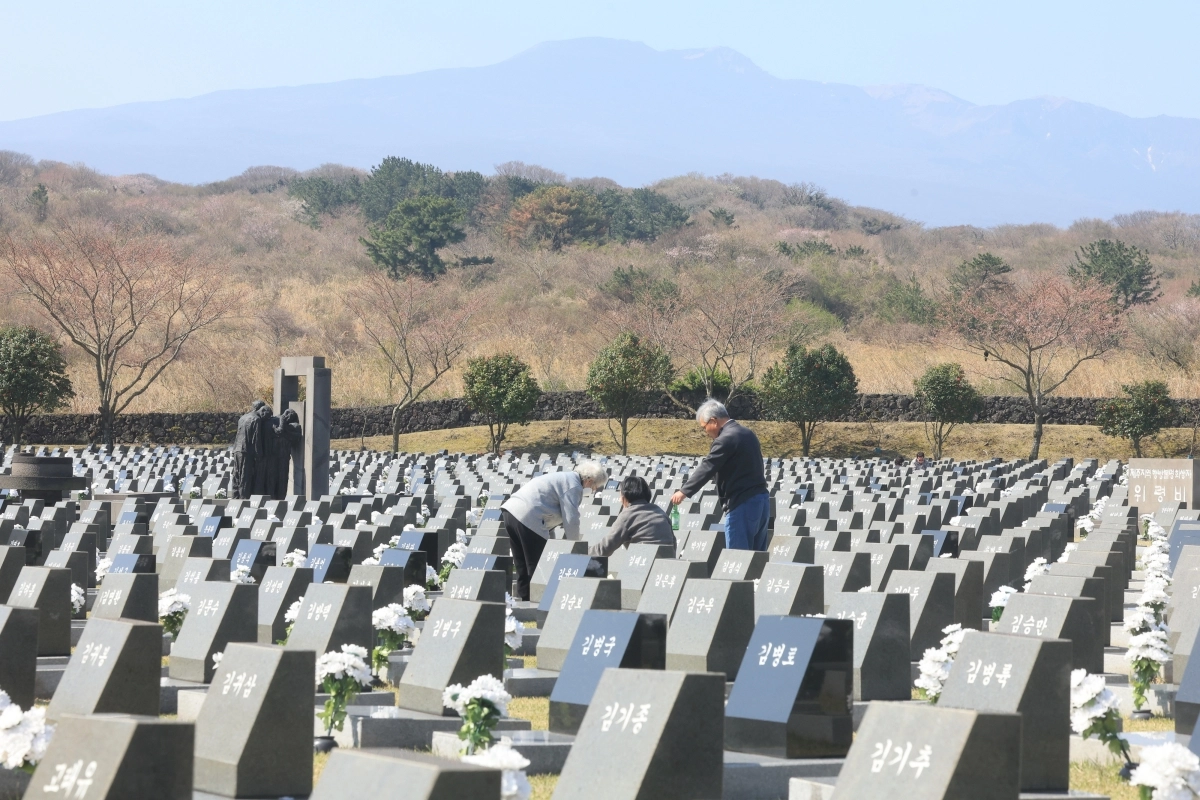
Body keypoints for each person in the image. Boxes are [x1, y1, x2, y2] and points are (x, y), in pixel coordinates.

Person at [501, 461, 608, 601]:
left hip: (511, 512)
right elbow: (571, 519)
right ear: (589, 480)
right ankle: (538, 602)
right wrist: (576, 548)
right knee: (537, 565)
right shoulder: (574, 486)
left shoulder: (565, 478)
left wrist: (550, 542)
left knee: (521, 563)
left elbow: (549, 513)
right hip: (529, 517)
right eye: (594, 487)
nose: (593, 491)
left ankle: (525, 600)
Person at [670, 399, 769, 551]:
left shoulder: (725, 439)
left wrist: (684, 491)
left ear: (713, 421)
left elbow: (708, 467)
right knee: (757, 557)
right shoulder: (747, 433)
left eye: (704, 427)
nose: (706, 432)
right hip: (761, 500)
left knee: (737, 557)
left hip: (741, 503)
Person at [590, 476, 676, 558]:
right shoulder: (660, 511)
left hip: (642, 561)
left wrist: (583, 550)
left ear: (625, 496)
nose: (620, 499)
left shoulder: (628, 514)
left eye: (620, 495)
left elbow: (605, 548)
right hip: (667, 561)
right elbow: (673, 542)